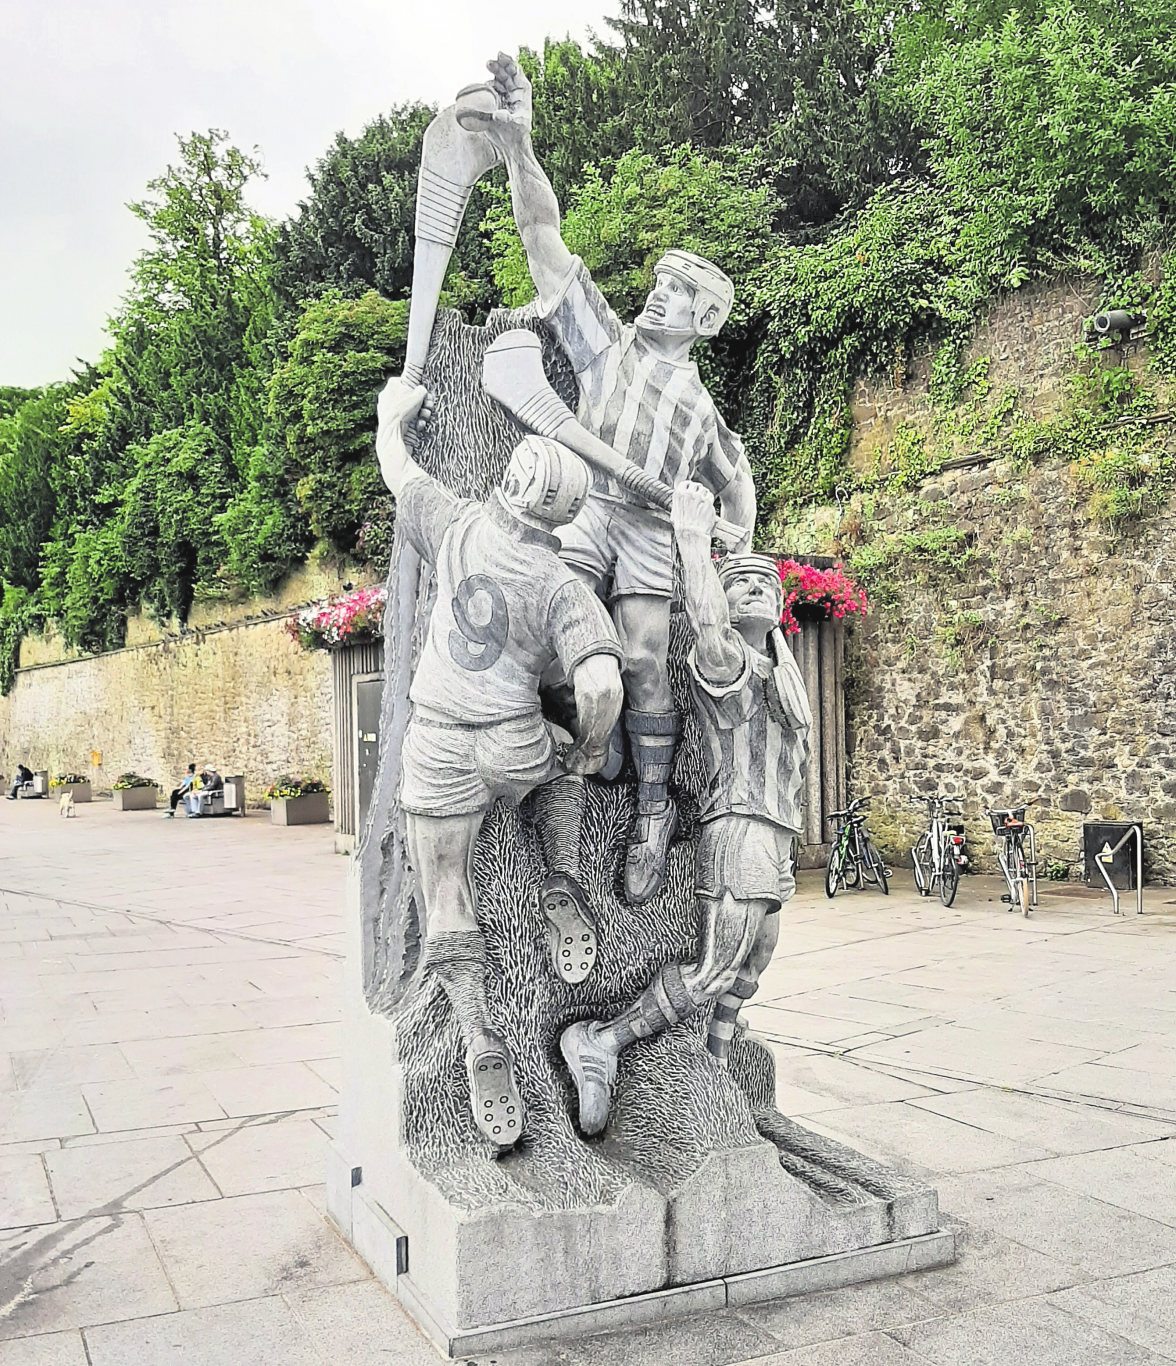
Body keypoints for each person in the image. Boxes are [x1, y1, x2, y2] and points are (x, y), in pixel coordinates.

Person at [481, 52, 758, 908]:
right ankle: (570, 746)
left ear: (705, 320)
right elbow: (542, 241)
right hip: (585, 504)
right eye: (660, 284)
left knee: (643, 656)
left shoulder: (704, 418)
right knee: (543, 611)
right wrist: (522, 147)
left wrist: (725, 536)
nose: (658, 297)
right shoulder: (606, 343)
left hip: (649, 529)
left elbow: (737, 483)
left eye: (678, 294)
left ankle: (649, 811)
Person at [375, 374, 624, 1150]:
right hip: (512, 743)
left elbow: (398, 468)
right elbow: (601, 683)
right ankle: (560, 876)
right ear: (564, 515)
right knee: (564, 768)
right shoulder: (563, 584)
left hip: (440, 738)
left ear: (508, 483)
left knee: (444, 891)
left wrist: (394, 415)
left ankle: (482, 1036)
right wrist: (584, 747)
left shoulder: (454, 529)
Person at [559, 482, 812, 1136]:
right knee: (718, 965)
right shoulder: (726, 665)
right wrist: (695, 543)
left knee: (751, 966)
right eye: (742, 581)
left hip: (776, 837)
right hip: (738, 829)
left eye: (765, 581)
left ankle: (717, 1068)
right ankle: (604, 1041)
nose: (754, 586)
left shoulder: (783, 675)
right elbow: (705, 619)